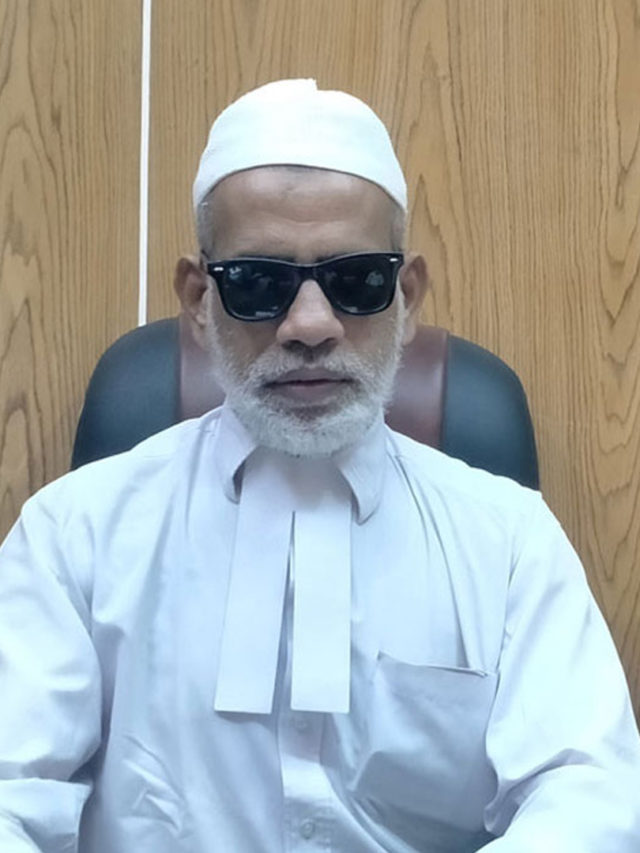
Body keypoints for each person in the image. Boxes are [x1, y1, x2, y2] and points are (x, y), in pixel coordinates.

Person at [0, 79, 639, 853]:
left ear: (407, 295)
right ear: (199, 300)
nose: (310, 324)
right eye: (259, 283)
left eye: (356, 280)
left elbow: (589, 794)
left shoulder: (509, 543)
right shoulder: (72, 536)